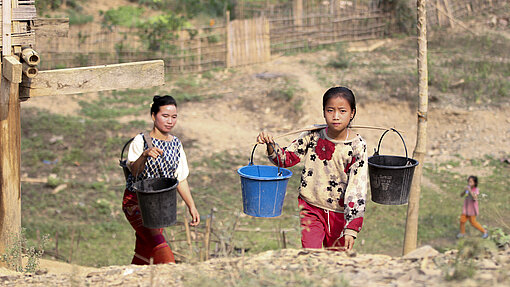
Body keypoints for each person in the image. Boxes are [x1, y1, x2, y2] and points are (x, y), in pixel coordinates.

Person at [257, 86, 368, 251]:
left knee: (336, 259)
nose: (336, 116)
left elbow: (357, 188)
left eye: (342, 111)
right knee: (311, 253)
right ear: (323, 112)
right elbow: (286, 159)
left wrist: (351, 227)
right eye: (330, 110)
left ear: (352, 113)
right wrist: (271, 145)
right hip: (310, 207)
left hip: (339, 213)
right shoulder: (312, 135)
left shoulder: (357, 146)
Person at [123, 95, 200, 265]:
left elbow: (180, 178)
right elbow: (134, 171)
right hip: (137, 203)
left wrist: (191, 206)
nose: (170, 121)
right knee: (160, 246)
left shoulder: (176, 145)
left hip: (161, 205)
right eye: (165, 116)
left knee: (146, 247)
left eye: (174, 117)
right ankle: (170, 271)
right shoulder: (140, 141)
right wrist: (144, 155)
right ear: (153, 116)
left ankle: (133, 277)